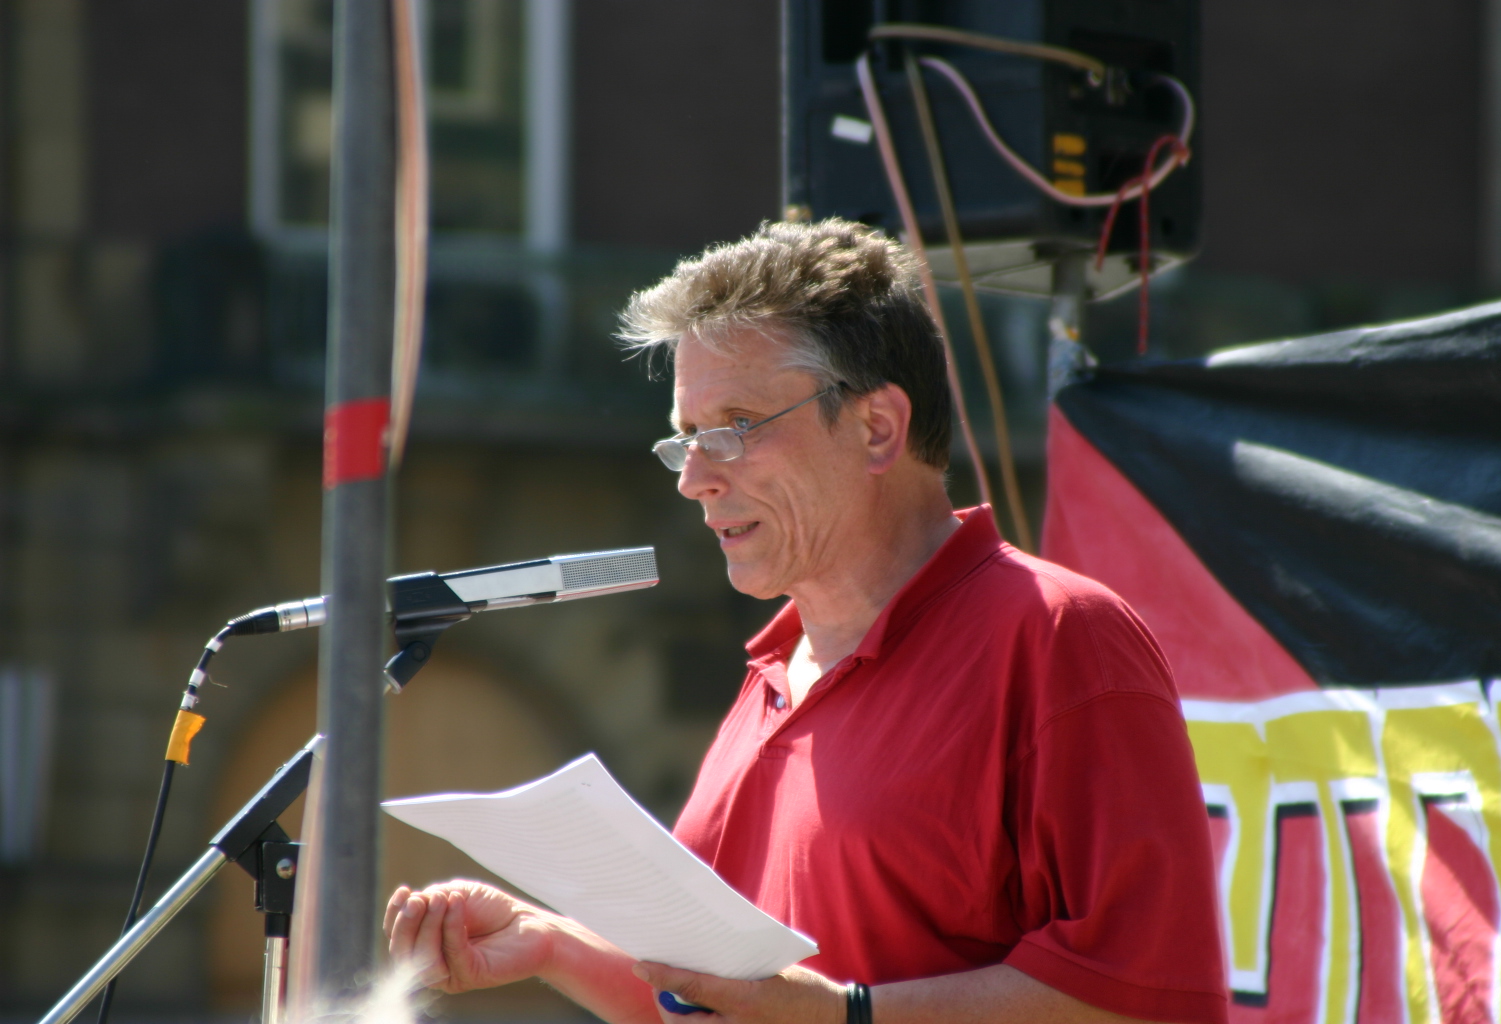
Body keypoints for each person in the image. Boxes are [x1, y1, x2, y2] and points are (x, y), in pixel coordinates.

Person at [385, 219, 1229, 1024]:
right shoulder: (773, 673)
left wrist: (844, 1015)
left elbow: (1151, 1001)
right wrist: (549, 942)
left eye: (736, 428)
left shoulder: (1060, 635)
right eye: (686, 437)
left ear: (877, 428)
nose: (694, 479)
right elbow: (722, 1002)